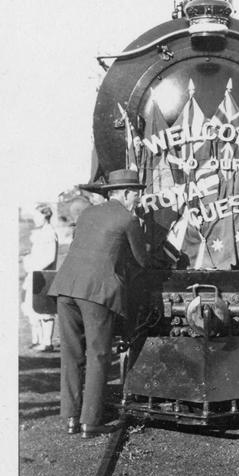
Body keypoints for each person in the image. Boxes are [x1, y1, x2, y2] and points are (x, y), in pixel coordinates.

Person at [48, 169, 149, 439]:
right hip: (96, 291)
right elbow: (142, 261)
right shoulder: (129, 219)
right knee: (98, 354)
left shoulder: (88, 213)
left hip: (66, 287)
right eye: (136, 194)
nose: (138, 199)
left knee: (71, 354)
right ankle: (90, 422)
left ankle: (71, 417)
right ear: (126, 194)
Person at [22, 204, 59, 351]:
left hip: (45, 276)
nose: (35, 219)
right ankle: (37, 340)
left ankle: (47, 342)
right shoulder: (41, 233)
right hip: (36, 275)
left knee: (45, 309)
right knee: (33, 308)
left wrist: (35, 268)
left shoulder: (49, 232)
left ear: (45, 216)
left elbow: (49, 258)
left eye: (38, 215)